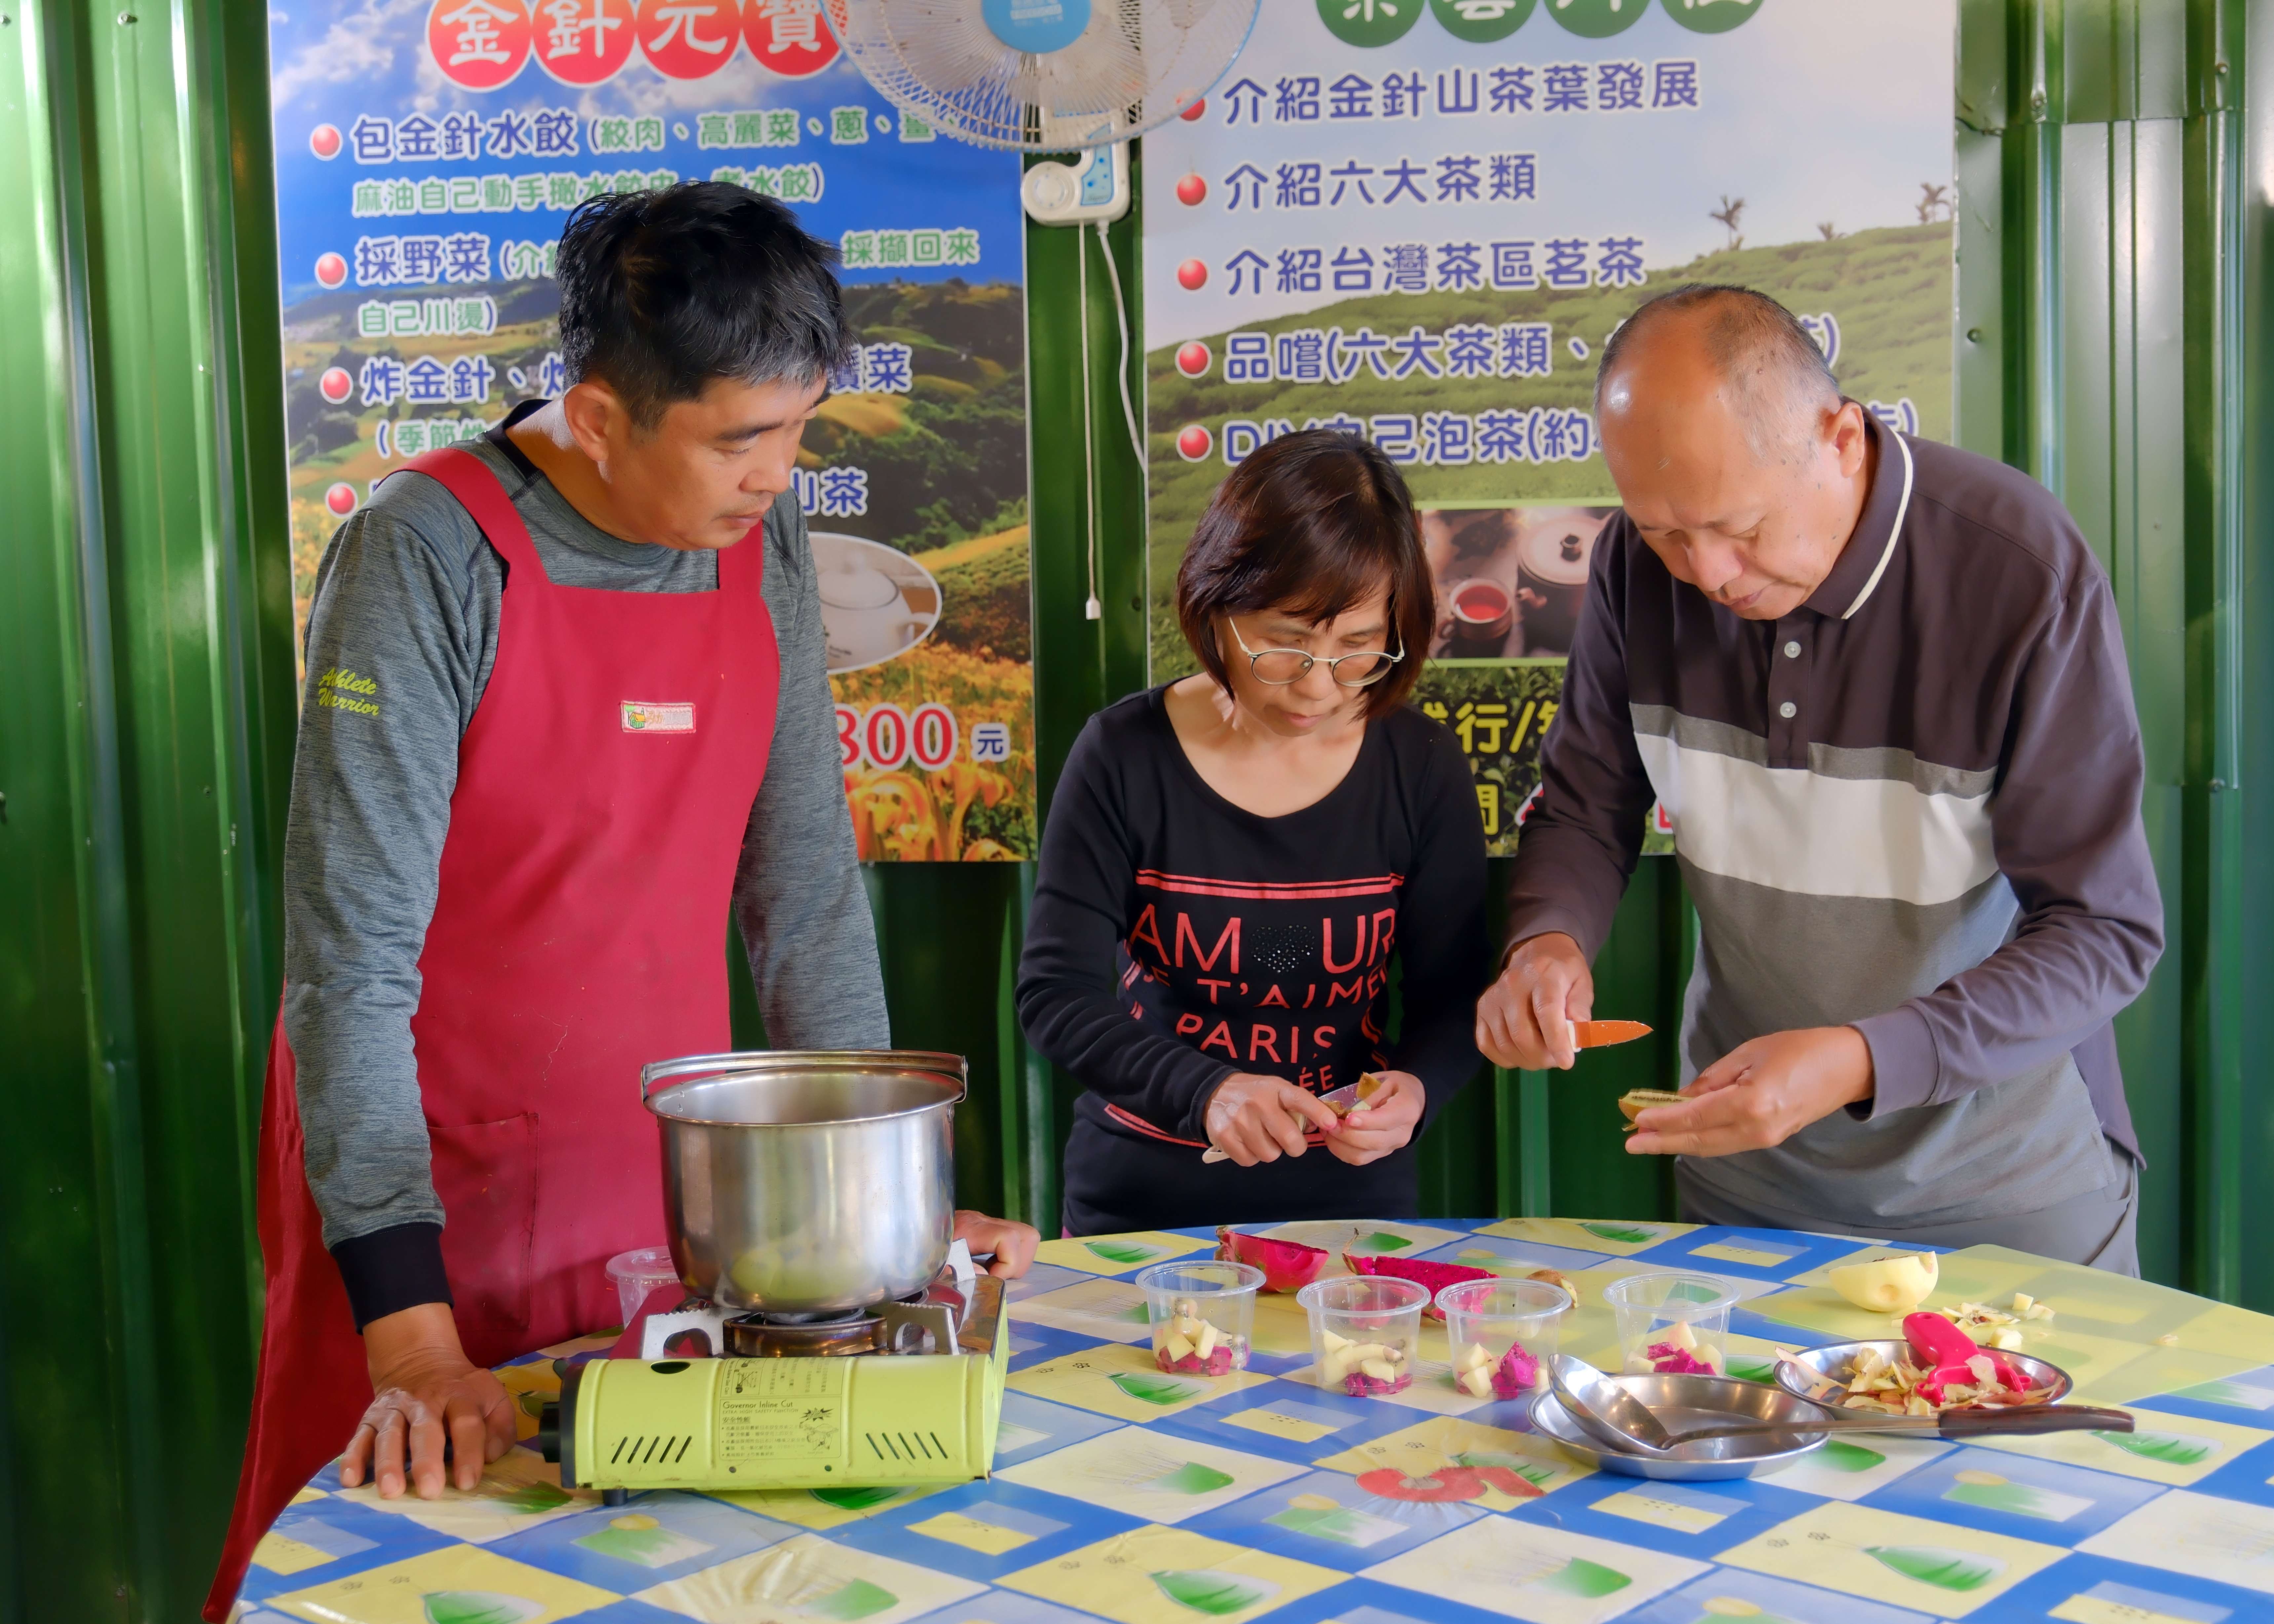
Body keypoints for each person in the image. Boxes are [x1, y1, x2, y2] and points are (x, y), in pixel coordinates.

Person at [207, 184, 1036, 1619]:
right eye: (740, 437)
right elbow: (350, 970)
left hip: (667, 1176)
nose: (778, 473)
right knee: (417, 1558)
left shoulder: (753, 540)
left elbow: (808, 894)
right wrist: (409, 1342)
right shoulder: (424, 552)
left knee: (651, 1562)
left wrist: (887, 1230)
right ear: (597, 417)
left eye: (797, 428)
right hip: (425, 1187)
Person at [1475, 285, 2165, 1273]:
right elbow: (1586, 805)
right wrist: (1544, 944)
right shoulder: (1638, 566)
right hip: (1746, 1181)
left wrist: (1858, 1057)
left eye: (1740, 526)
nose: (1706, 572)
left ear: (1841, 439)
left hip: (2004, 1187)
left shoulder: (2016, 570)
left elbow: (2104, 933)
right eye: (1665, 531)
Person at [1019, 431, 1489, 1234]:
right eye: (1286, 642)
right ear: (1219, 604)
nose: (1316, 686)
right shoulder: (1125, 753)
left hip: (1349, 1201)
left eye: (1357, 650)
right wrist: (1205, 1091)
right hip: (1141, 1202)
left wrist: (1414, 1089)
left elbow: (1454, 995)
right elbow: (1055, 995)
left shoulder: (1420, 764)